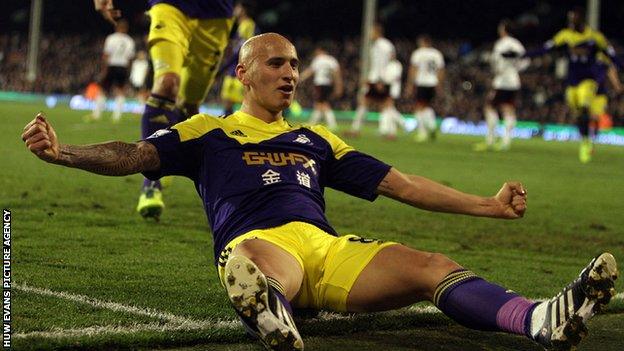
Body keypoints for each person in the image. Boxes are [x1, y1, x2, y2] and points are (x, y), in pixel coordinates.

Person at [23, 33, 618, 351]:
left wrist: (486, 205)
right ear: (244, 73)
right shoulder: (208, 131)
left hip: (328, 250)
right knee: (251, 260)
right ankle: (268, 307)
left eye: (295, 65)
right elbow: (134, 154)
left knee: (432, 265)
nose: (291, 73)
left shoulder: (316, 140)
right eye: (277, 63)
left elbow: (402, 185)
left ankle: (539, 319)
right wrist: (64, 152)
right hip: (258, 243)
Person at [94, 0, 234, 220]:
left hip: (215, 14)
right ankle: (151, 182)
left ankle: (172, 154)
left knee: (190, 105)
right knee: (167, 83)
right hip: (169, 6)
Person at [522, 7, 622, 163]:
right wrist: (524, 55)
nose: (571, 22)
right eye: (569, 19)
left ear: (581, 20)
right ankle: (586, 137)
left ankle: (586, 142)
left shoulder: (595, 37)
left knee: (584, 106)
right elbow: (545, 49)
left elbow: (612, 55)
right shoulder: (566, 35)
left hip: (589, 81)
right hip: (572, 83)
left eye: (573, 18)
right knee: (577, 113)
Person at [475, 20, 529, 152]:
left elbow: (495, 62)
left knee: (489, 107)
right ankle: (506, 141)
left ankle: (490, 140)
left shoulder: (501, 44)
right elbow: (526, 60)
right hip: (514, 80)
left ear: (504, 29)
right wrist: (515, 69)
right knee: (508, 109)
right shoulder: (517, 44)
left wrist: (498, 71)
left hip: (502, 80)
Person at [348, 23, 396, 137]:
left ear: (377, 32)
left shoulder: (380, 45)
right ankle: (389, 132)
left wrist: (379, 80)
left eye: (371, 32)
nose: (370, 34)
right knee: (385, 105)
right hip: (381, 79)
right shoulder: (385, 45)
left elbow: (383, 64)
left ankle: (356, 129)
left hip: (378, 79)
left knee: (368, 103)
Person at [87, 19, 136, 123]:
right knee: (120, 91)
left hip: (112, 66)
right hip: (123, 67)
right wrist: (128, 71)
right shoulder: (129, 40)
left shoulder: (111, 38)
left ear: (116, 27)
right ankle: (116, 117)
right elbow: (130, 59)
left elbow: (106, 55)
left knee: (102, 90)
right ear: (126, 29)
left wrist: (104, 69)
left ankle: (96, 114)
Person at [219, 0, 258, 116]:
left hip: (238, 69)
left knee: (234, 101)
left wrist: (223, 67)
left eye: (237, 7)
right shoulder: (242, 25)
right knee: (227, 101)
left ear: (243, 9)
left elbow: (243, 48)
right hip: (233, 68)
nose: (234, 10)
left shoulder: (248, 25)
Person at [404, 34, 445, 143]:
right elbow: (441, 70)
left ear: (423, 42)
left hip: (422, 82)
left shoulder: (418, 53)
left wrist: (409, 85)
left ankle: (423, 132)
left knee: (418, 108)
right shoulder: (437, 54)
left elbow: (413, 69)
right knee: (426, 106)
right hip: (433, 82)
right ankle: (431, 126)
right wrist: (440, 85)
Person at [299, 46, 343, 131]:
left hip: (319, 84)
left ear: (321, 51)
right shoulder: (332, 60)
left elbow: (310, 71)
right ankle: (314, 123)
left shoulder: (318, 59)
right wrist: (338, 85)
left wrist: (301, 78)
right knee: (321, 103)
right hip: (328, 84)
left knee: (321, 104)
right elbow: (336, 73)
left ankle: (328, 124)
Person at [378, 57, 404, 140]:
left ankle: (395, 129)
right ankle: (390, 130)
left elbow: (395, 77)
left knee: (388, 108)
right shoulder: (388, 64)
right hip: (388, 87)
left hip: (392, 88)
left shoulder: (396, 65)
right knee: (388, 108)